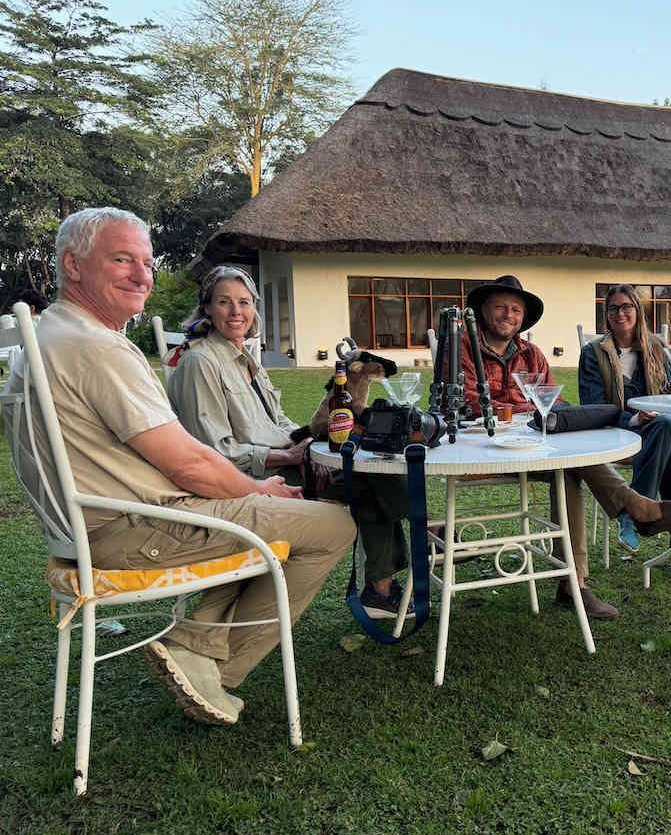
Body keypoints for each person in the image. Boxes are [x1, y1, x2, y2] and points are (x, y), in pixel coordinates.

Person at [7, 208, 352, 726]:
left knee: (271, 522)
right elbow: (191, 464)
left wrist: (251, 492)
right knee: (332, 525)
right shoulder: (94, 346)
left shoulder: (52, 333)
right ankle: (216, 667)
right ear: (73, 267)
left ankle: (201, 642)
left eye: (146, 263)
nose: (143, 275)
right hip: (131, 527)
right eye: (122, 260)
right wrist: (258, 491)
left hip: (102, 522)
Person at [165, 265, 411, 620]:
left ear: (254, 310)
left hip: (290, 461)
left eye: (244, 302)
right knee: (372, 478)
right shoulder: (201, 362)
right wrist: (286, 456)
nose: (236, 312)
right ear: (207, 308)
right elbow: (213, 451)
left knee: (372, 464)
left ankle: (386, 583)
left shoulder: (246, 359)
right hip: (253, 482)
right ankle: (415, 545)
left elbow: (277, 422)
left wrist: (309, 439)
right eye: (224, 302)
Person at [457, 275, 671, 620]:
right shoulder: (462, 350)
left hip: (532, 446)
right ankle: (637, 511)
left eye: (516, 309)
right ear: (484, 311)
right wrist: (524, 413)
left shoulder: (533, 355)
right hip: (481, 450)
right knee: (585, 463)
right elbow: (467, 405)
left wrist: (545, 416)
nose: (509, 314)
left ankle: (574, 584)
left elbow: (550, 404)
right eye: (500, 306)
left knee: (576, 464)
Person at [578, 283, 671, 574]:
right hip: (618, 435)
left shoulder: (658, 349)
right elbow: (592, 406)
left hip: (663, 426)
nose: (619, 313)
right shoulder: (594, 354)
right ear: (606, 314)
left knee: (664, 423)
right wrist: (632, 420)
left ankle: (632, 514)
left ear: (638, 311)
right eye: (613, 308)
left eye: (626, 307)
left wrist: (660, 412)